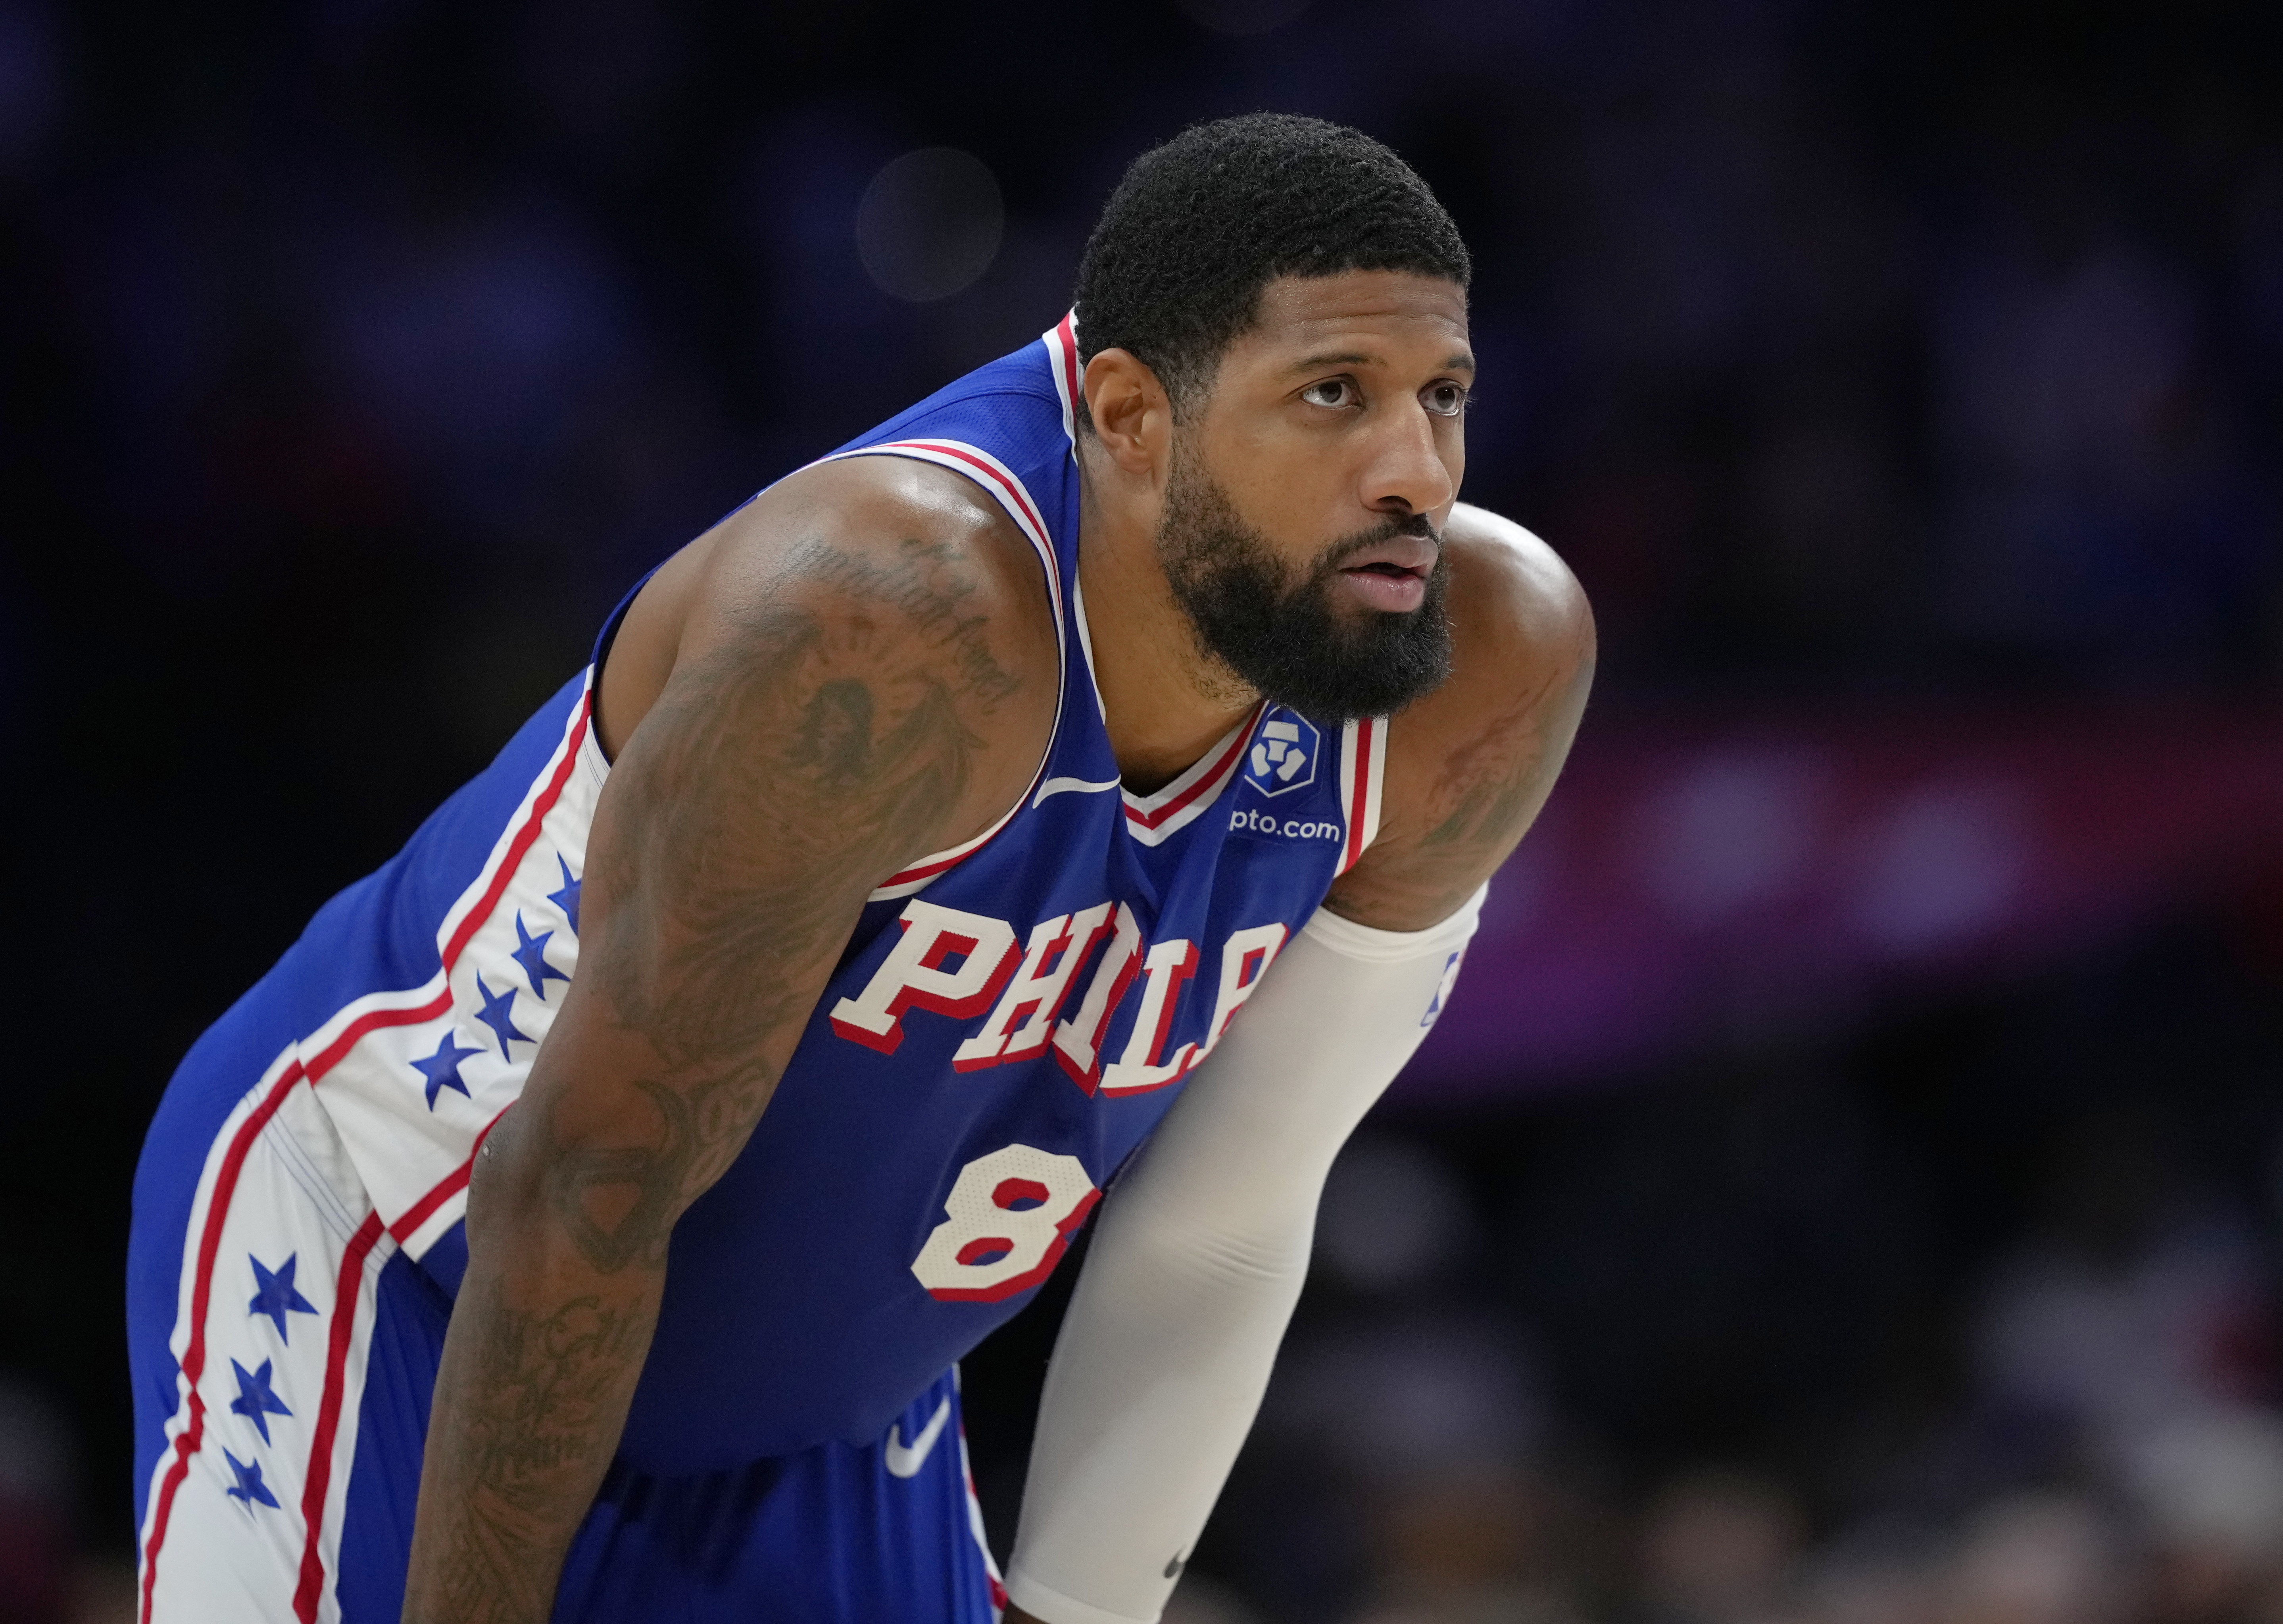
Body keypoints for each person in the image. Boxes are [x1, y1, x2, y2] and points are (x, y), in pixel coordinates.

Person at [126, 112, 1593, 1624]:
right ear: (1132, 414)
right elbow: (580, 1195)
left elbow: (1226, 1210)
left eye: (1443, 395)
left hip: (820, 1397)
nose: (1414, 470)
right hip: (415, 1262)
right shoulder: (895, 617)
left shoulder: (1479, 662)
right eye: (1333, 396)